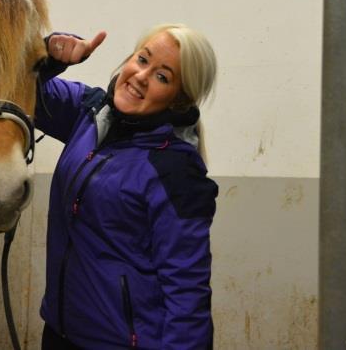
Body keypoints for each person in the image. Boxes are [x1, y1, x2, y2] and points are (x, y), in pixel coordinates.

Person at [36, 24, 218, 349]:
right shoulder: (89, 113)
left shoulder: (175, 171)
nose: (141, 77)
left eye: (163, 77)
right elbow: (24, 92)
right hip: (59, 333)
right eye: (142, 59)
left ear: (179, 100)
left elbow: (186, 294)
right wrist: (48, 57)